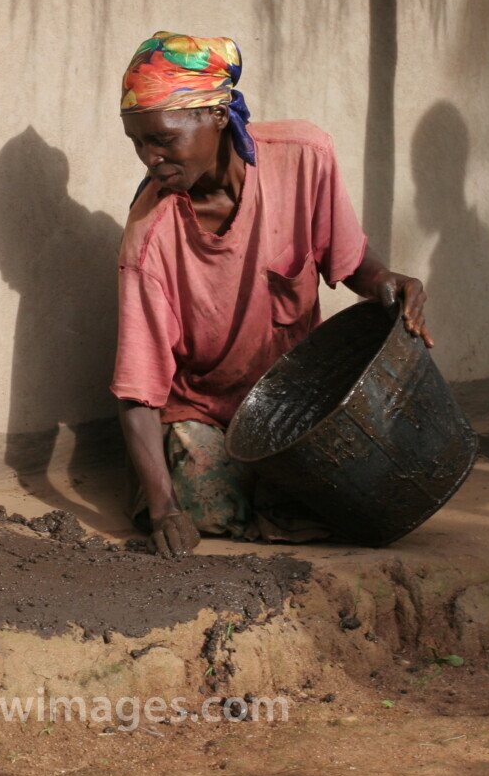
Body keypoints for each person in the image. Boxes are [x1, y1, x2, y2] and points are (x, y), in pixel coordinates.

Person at [112, 32, 432, 558]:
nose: (150, 157)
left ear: (216, 116)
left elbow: (347, 261)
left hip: (293, 403)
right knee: (208, 508)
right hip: (204, 408)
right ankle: (217, 480)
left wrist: (386, 283)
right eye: (137, 143)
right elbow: (137, 394)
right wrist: (164, 509)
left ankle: (273, 488)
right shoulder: (149, 239)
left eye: (163, 139)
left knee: (371, 481)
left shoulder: (304, 157)